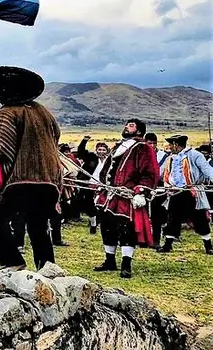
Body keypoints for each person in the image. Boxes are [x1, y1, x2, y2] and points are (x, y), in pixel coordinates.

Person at [0, 66, 64, 270]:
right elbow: (56, 137)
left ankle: (13, 262)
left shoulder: (8, 112)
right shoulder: (43, 111)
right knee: (38, 225)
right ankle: (47, 268)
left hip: (22, 179)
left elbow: (3, 150)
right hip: (50, 180)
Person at [93, 119, 159, 279]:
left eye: (130, 125)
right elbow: (106, 170)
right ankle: (109, 261)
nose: (126, 127)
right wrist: (101, 186)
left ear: (139, 131)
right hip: (110, 194)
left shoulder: (143, 148)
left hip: (127, 196)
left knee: (126, 230)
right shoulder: (118, 146)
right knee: (107, 227)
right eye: (126, 125)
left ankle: (126, 264)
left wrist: (141, 191)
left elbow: (150, 172)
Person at [156, 135, 213, 254]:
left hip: (191, 192)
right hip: (175, 192)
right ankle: (167, 245)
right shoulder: (171, 158)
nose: (169, 147)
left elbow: (207, 170)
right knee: (173, 218)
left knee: (200, 218)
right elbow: (167, 173)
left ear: (176, 145)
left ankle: (208, 246)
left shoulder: (195, 155)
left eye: (171, 144)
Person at [76, 136, 104, 234]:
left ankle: (97, 222)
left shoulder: (109, 160)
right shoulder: (91, 157)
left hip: (102, 186)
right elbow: (80, 152)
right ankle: (93, 224)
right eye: (99, 149)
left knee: (100, 205)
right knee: (89, 205)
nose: (101, 152)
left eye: (103, 150)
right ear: (96, 150)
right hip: (88, 184)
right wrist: (84, 141)